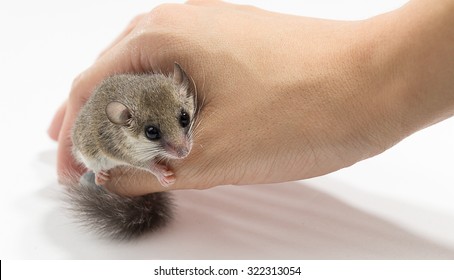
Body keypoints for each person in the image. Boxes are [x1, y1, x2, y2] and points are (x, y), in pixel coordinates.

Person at [48, 0, 454, 196]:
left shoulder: (170, 95)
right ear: (127, 120)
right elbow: (114, 147)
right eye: (156, 134)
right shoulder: (116, 127)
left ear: (182, 89)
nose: (183, 146)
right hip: (105, 140)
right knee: (95, 154)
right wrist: (150, 168)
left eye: (184, 123)